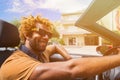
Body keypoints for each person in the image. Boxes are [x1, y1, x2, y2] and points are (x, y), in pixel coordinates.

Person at [0, 15, 120, 80]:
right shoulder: (14, 65)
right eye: (41, 32)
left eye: (49, 34)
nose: (46, 37)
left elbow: (55, 46)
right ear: (27, 35)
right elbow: (71, 69)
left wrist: (67, 57)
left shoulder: (41, 53)